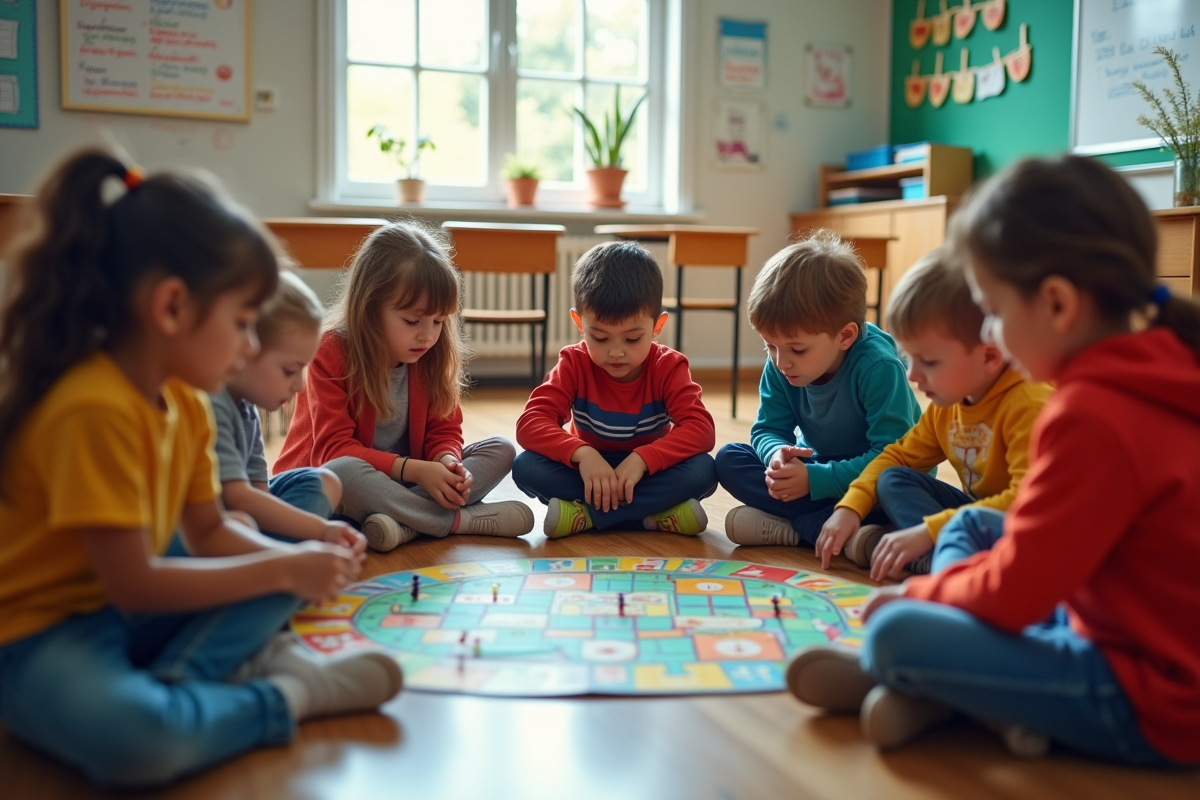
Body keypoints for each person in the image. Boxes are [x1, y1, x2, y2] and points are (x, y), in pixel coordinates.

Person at [0, 150, 402, 788]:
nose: (250, 346)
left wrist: (293, 561)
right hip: (42, 635)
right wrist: (283, 563)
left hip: (126, 613)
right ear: (171, 308)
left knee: (281, 565)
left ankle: (185, 685)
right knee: (141, 744)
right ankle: (286, 694)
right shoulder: (93, 409)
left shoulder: (186, 401)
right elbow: (136, 583)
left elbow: (212, 532)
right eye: (242, 322)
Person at [787, 156, 1200, 767]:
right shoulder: (1163, 363)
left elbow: (1017, 592)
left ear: (1057, 304)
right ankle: (960, 691)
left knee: (896, 633)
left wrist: (925, 595)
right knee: (972, 524)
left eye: (997, 313)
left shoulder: (1090, 414)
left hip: (1149, 699)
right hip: (1115, 621)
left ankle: (944, 690)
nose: (996, 338)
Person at [274, 221, 533, 551]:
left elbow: (444, 428)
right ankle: (456, 522)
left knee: (502, 449)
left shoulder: (431, 354)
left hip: (398, 486)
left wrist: (446, 463)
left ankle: (403, 523)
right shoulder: (330, 351)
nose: (427, 335)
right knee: (344, 472)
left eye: (439, 322)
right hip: (323, 490)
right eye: (413, 321)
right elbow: (333, 452)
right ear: (369, 308)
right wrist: (417, 471)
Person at [813, 247, 1051, 580]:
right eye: (910, 358)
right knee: (892, 479)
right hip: (978, 522)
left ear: (990, 356)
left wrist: (929, 530)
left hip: (1032, 529)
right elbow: (896, 457)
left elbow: (1029, 503)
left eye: (930, 362)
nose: (912, 376)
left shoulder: (1029, 403)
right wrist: (851, 506)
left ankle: (944, 558)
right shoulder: (949, 402)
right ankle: (946, 557)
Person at [716, 232, 921, 548]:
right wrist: (776, 459)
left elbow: (892, 456)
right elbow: (768, 429)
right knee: (730, 459)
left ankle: (798, 528)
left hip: (875, 476)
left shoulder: (878, 366)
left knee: (896, 486)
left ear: (845, 336)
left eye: (797, 349)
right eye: (770, 345)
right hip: (817, 470)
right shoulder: (781, 363)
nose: (782, 361)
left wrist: (815, 481)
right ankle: (835, 530)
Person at [512, 240, 717, 537]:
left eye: (632, 339)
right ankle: (653, 515)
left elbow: (701, 429)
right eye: (600, 337)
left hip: (646, 472)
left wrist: (644, 459)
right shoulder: (574, 362)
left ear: (657, 326)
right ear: (579, 323)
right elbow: (530, 423)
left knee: (704, 471)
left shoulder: (668, 366)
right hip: (588, 472)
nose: (616, 353)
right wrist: (583, 455)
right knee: (526, 467)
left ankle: (588, 516)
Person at [195, 270, 365, 549]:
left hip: (243, 518)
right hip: (210, 528)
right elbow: (239, 498)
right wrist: (321, 530)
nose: (299, 386)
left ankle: (277, 555)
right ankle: (279, 561)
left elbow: (259, 491)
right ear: (245, 351)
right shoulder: (212, 403)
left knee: (325, 482)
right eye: (290, 371)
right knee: (242, 523)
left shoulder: (246, 408)